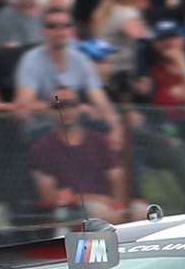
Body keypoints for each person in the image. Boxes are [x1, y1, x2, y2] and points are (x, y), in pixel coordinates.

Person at [29, 92, 126, 221]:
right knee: (103, 213)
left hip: (108, 204)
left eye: (71, 105)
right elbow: (50, 197)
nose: (67, 111)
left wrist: (119, 204)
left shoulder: (98, 140)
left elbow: (116, 176)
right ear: (49, 111)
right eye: (59, 106)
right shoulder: (43, 147)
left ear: (79, 108)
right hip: (71, 209)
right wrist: (96, 199)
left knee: (143, 212)